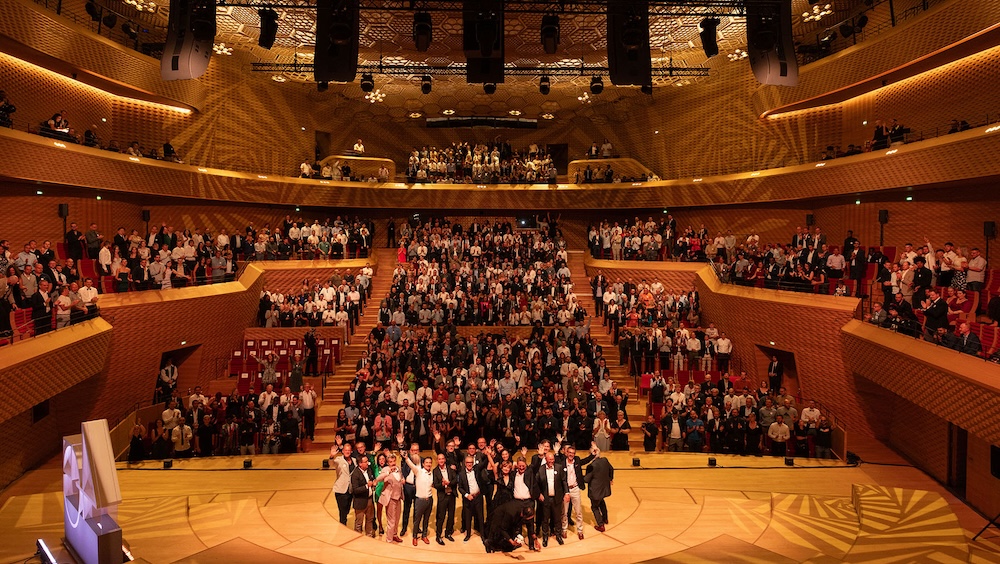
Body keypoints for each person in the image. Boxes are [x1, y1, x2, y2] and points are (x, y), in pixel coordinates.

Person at [402, 449, 435, 546]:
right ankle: (415, 537)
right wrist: (406, 458)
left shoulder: (432, 474)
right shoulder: (418, 471)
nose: (428, 464)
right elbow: (411, 464)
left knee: (426, 519)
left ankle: (424, 535)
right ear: (423, 464)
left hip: (429, 499)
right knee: (417, 520)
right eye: (427, 463)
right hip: (419, 500)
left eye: (430, 463)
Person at [457, 453, 490, 542]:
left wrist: (488, 455)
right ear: (464, 463)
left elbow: (484, 463)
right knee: (468, 517)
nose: (469, 464)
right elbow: (459, 487)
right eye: (467, 462)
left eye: (471, 462)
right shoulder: (461, 474)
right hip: (468, 498)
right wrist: (467, 495)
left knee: (480, 516)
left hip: (478, 497)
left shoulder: (477, 469)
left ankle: (483, 535)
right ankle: (468, 534)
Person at [374, 453, 405, 543]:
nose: (393, 463)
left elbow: (400, 477)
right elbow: (378, 478)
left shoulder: (398, 468)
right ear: (388, 462)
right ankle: (389, 539)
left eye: (394, 461)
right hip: (390, 498)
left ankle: (395, 535)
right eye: (390, 462)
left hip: (398, 497)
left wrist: (402, 480)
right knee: (391, 520)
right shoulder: (385, 469)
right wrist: (388, 472)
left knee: (397, 518)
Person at [584, 446, 613, 532]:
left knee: (594, 507)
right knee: (602, 501)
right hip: (604, 488)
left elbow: (586, 479)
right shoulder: (605, 460)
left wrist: (578, 477)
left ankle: (601, 525)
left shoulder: (591, 466)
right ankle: (605, 518)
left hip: (595, 491)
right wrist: (610, 478)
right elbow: (611, 469)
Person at [351, 452, 377, 537]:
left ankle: (369, 535)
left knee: (370, 519)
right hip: (360, 501)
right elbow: (355, 490)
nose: (368, 463)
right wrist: (366, 486)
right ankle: (357, 537)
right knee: (359, 522)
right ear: (360, 464)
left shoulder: (368, 469)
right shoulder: (355, 474)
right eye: (365, 462)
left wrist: (373, 483)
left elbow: (371, 478)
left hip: (369, 499)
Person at [331, 441, 356, 525]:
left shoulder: (355, 461)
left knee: (347, 509)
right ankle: (343, 527)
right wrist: (331, 456)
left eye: (349, 450)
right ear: (342, 451)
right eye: (345, 450)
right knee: (342, 512)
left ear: (351, 451)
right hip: (341, 489)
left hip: (350, 489)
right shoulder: (339, 460)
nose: (347, 452)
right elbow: (331, 463)